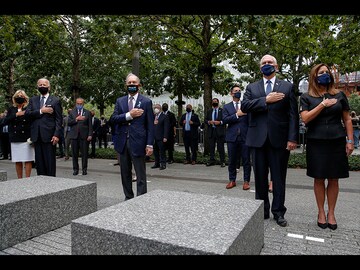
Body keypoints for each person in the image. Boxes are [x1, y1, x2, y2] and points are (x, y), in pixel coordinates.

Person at [241, 54, 299, 227]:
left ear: (277, 66)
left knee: (279, 178)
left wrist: (292, 138)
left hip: (279, 140)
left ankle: (278, 212)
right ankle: (262, 210)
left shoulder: (287, 87)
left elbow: (293, 115)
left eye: (270, 62)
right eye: (264, 63)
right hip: (257, 140)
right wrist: (265, 100)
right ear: (260, 67)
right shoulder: (252, 87)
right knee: (259, 178)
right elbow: (244, 106)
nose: (267, 65)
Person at [299, 63, 354, 230]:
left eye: (326, 72)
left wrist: (350, 141)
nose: (325, 74)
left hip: (337, 141)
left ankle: (331, 212)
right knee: (319, 178)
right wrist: (322, 105)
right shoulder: (306, 97)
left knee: (334, 178)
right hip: (316, 142)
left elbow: (347, 119)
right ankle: (320, 212)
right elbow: (306, 119)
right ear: (314, 76)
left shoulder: (340, 95)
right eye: (320, 72)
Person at [110, 73, 154, 200]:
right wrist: (129, 115)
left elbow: (150, 125)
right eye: (129, 83)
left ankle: (141, 200)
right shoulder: (120, 101)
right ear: (126, 85)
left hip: (139, 142)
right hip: (122, 143)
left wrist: (149, 144)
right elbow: (113, 119)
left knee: (140, 174)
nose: (131, 85)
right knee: (125, 173)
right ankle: (128, 198)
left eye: (134, 83)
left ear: (139, 85)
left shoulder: (146, 102)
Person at [25, 78, 63, 177]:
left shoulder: (55, 100)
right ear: (37, 87)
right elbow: (28, 114)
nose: (42, 86)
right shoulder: (33, 100)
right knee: (39, 163)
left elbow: (59, 119)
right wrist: (41, 111)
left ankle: (51, 184)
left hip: (50, 136)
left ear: (49, 87)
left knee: (49, 162)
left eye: (44, 84)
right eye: (40, 85)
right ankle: (41, 183)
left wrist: (56, 134)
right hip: (36, 136)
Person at [222, 85, 251, 190]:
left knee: (246, 160)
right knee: (232, 160)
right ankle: (232, 180)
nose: (238, 92)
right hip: (232, 137)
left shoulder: (246, 105)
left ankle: (246, 181)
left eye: (239, 90)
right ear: (231, 93)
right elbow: (225, 120)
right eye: (235, 91)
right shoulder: (226, 107)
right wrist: (237, 115)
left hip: (245, 137)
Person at [3, 90, 35, 178]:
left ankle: (27, 178)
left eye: (21, 96)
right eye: (18, 95)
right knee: (18, 160)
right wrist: (16, 115)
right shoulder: (11, 109)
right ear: (14, 98)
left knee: (28, 159)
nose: (19, 97)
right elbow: (5, 121)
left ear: (25, 98)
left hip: (26, 138)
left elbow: (32, 122)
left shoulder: (28, 108)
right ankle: (19, 179)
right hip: (15, 137)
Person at [67, 97, 93, 176]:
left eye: (80, 104)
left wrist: (90, 134)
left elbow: (90, 125)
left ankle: (84, 169)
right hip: (74, 136)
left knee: (84, 154)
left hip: (84, 137)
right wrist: (76, 119)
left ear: (83, 104)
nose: (79, 105)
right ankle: (75, 169)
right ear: (75, 103)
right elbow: (69, 122)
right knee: (74, 154)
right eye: (78, 103)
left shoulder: (87, 112)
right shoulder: (72, 112)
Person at [204, 97, 226, 167]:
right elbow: (205, 120)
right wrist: (208, 122)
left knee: (220, 147)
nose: (214, 102)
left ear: (218, 102)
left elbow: (225, 120)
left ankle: (222, 161)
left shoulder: (222, 111)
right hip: (211, 131)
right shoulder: (209, 111)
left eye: (215, 101)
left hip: (219, 131)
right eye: (213, 101)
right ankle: (212, 160)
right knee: (211, 147)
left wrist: (220, 122)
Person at [151, 103, 169, 170]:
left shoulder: (164, 116)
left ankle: (163, 164)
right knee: (155, 151)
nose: (156, 109)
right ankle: (157, 163)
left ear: (160, 108)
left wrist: (165, 137)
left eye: (157, 107)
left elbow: (166, 127)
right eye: (155, 108)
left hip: (161, 137)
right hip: (154, 137)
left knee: (162, 151)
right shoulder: (153, 116)